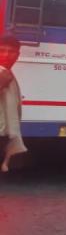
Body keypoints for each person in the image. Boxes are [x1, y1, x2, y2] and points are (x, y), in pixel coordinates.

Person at [0, 36, 26, 172]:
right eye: (2, 50)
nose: (6, 55)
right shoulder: (3, 75)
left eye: (11, 51)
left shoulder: (7, 73)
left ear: (17, 55)